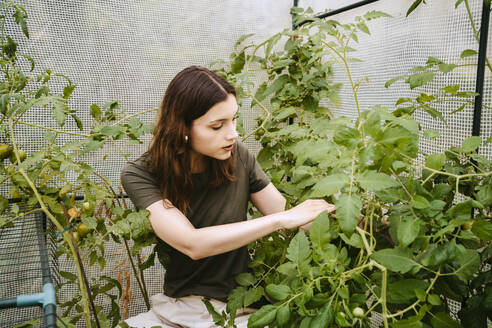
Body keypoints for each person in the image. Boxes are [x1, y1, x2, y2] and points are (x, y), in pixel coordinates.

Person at [120, 66, 335, 328]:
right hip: (181, 308)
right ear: (182, 128)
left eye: (234, 119)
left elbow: (295, 217)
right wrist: (280, 220)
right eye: (217, 126)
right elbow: (192, 244)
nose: (232, 133)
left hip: (240, 309)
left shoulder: (239, 157)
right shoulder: (142, 173)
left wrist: (360, 219)